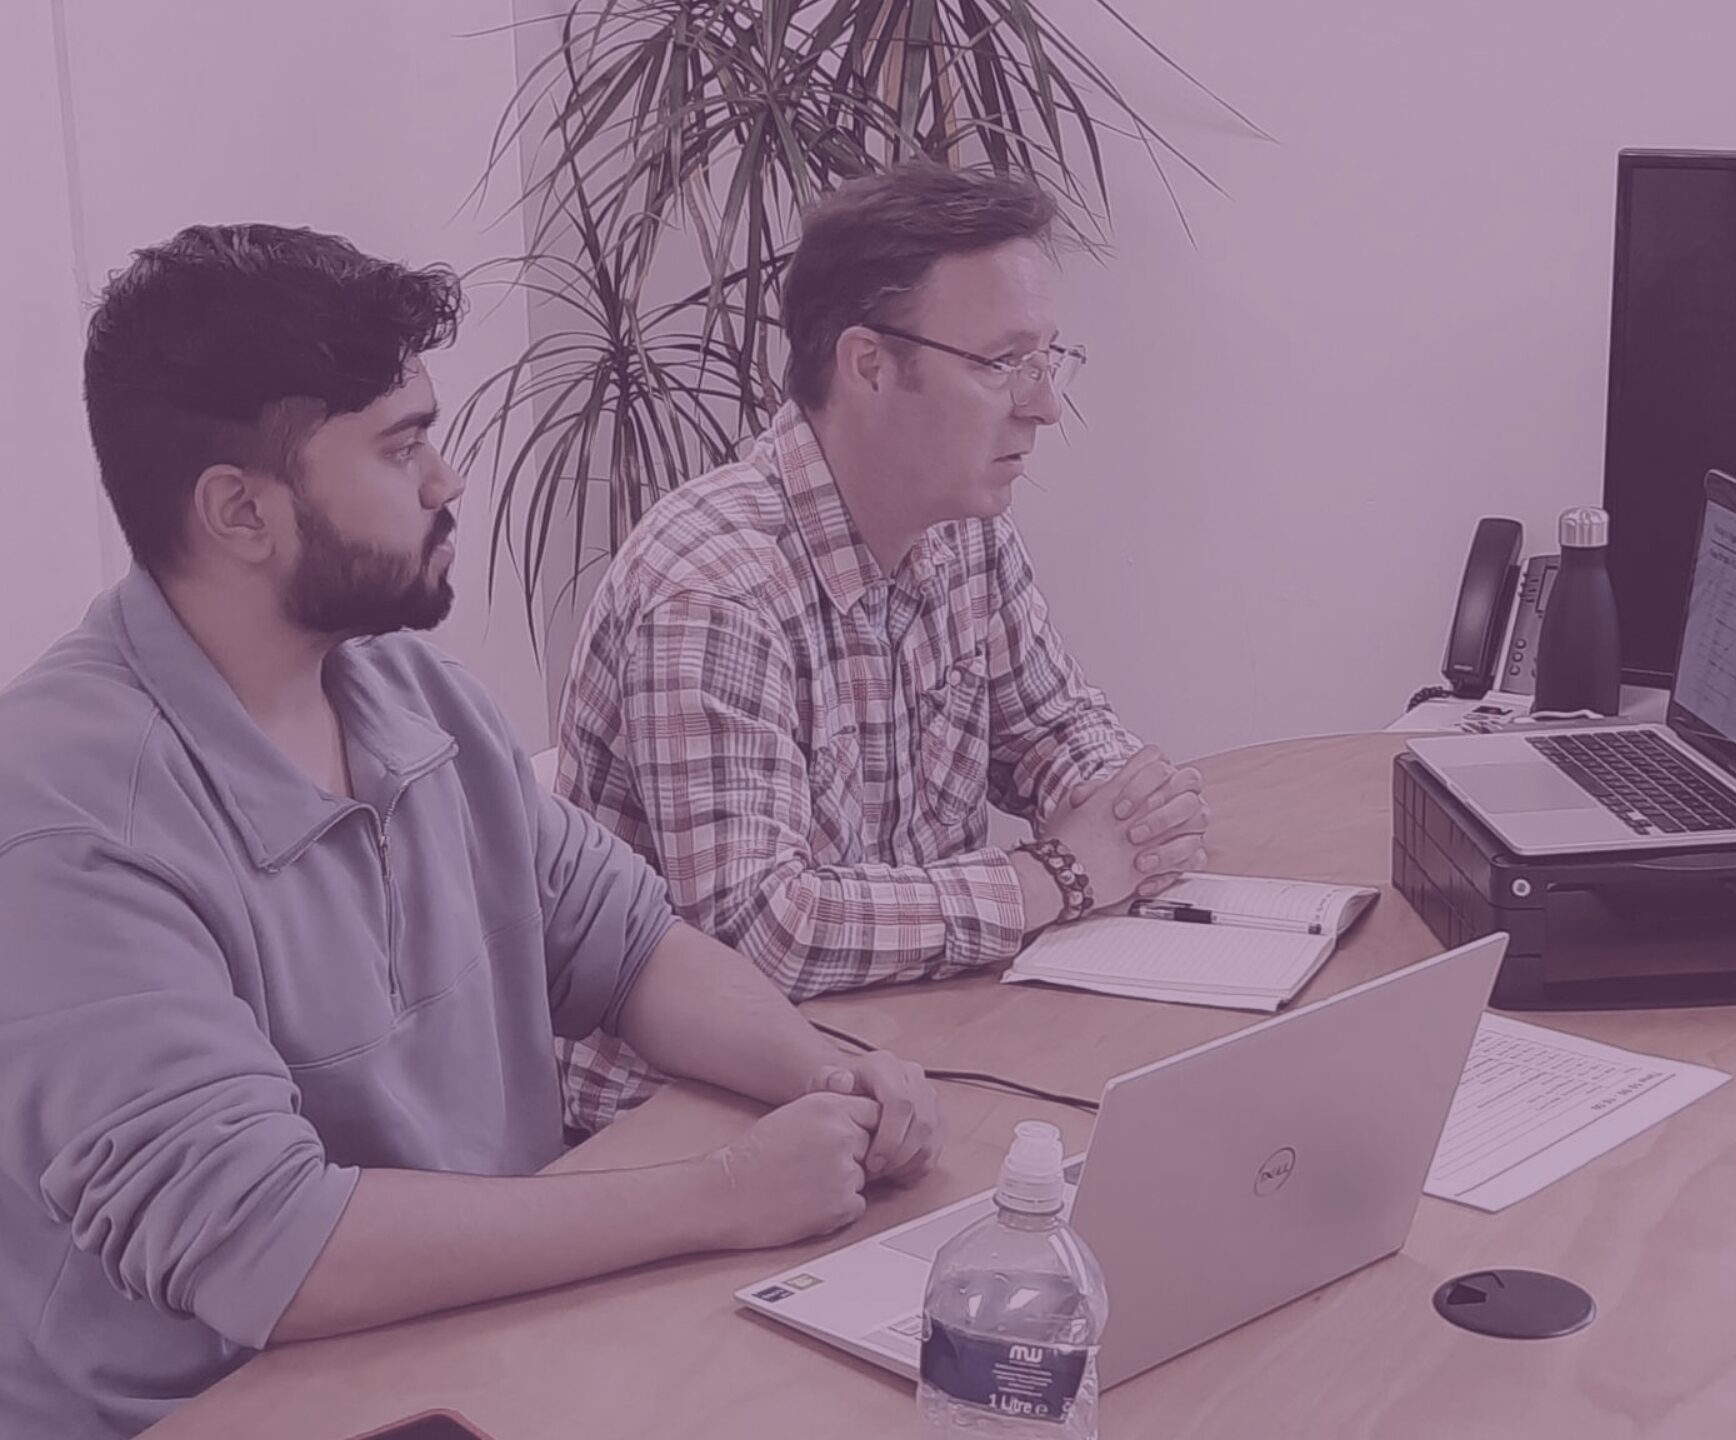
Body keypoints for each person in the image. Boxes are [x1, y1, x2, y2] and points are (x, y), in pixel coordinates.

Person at [0, 223, 940, 1440]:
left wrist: (823, 1073)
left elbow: (631, 944)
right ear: (240, 510)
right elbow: (267, 1247)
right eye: (403, 449)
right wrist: (721, 1195)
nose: (447, 482)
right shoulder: (62, 810)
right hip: (227, 1410)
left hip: (479, 1342)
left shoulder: (407, 690)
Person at [554, 162, 1210, 1133]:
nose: (1043, 407)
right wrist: (1053, 876)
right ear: (867, 365)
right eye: (1001, 364)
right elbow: (763, 934)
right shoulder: (712, 586)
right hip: (695, 1129)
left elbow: (1050, 727)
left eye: (1049, 360)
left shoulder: (962, 524)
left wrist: (1131, 808)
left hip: (907, 1051)